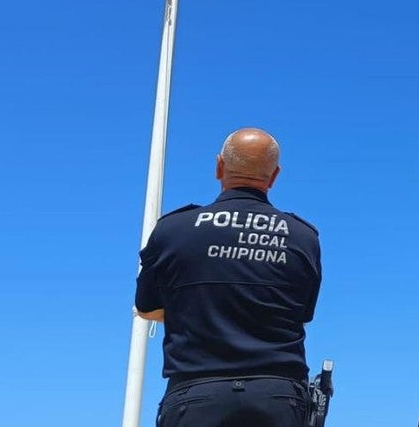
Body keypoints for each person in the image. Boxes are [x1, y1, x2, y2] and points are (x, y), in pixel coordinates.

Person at [135, 127, 323, 427]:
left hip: (196, 394)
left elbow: (147, 308)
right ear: (273, 176)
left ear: (219, 166)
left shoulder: (173, 229)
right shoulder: (302, 237)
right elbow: (300, 313)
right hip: (277, 399)